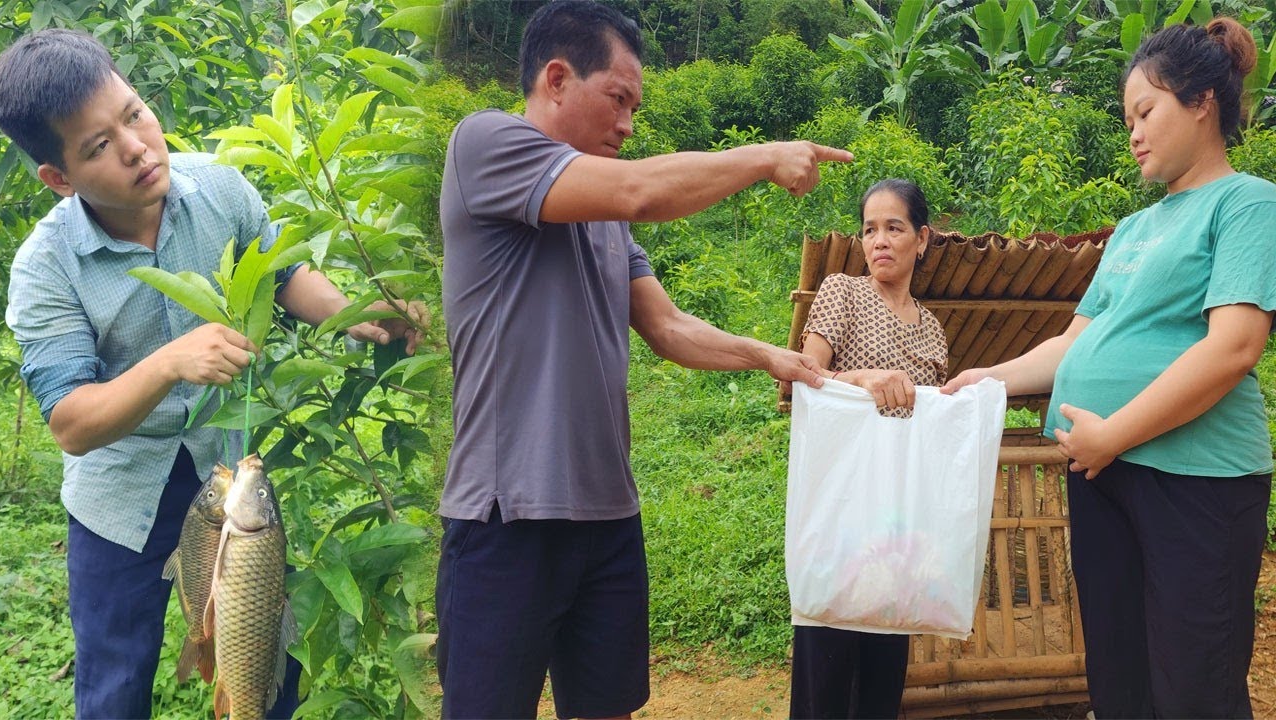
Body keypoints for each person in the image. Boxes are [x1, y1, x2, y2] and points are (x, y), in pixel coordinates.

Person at [435, 1, 852, 717]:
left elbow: (666, 326)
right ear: (557, 80)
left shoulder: (604, 214)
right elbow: (644, 189)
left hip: (607, 516)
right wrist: (761, 156)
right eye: (619, 100)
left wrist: (767, 356)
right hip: (507, 516)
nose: (628, 124)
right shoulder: (485, 144)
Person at [0, 29, 421, 719]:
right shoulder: (45, 269)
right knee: (113, 680)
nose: (136, 147)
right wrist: (169, 363)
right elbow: (71, 422)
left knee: (258, 653)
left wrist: (355, 315)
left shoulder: (220, 190)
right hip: (118, 496)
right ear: (59, 178)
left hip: (230, 483)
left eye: (134, 114)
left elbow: (284, 275)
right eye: (98, 146)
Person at [942, 18, 1275, 718]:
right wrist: (990, 377)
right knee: (1119, 678)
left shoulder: (1247, 203)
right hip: (1102, 472)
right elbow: (1074, 342)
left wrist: (1114, 433)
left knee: (1194, 685)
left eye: (1145, 112)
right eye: (1127, 118)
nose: (1133, 132)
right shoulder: (1134, 228)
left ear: (1202, 102)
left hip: (1195, 483)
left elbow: (1234, 346)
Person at [790, 178, 946, 719]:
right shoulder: (843, 291)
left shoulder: (933, 330)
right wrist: (862, 380)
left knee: (882, 673)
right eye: (869, 229)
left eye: (894, 228)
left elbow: (934, 427)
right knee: (827, 668)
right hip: (840, 508)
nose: (878, 240)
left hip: (899, 519)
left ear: (921, 239)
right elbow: (804, 375)